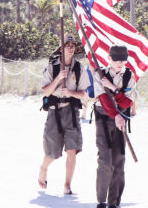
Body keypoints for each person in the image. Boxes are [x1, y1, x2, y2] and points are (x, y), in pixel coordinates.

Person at [37, 36, 90, 196]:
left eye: (73, 45)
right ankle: (43, 168)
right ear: (61, 49)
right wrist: (58, 79)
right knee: (52, 151)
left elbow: (84, 94)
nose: (70, 47)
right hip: (55, 111)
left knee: (72, 149)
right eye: (67, 45)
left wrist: (71, 92)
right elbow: (46, 91)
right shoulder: (52, 67)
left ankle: (67, 185)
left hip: (72, 112)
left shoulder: (79, 68)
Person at [93, 45, 135, 208]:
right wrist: (116, 113)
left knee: (119, 161)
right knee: (105, 160)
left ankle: (114, 202)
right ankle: (102, 200)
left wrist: (114, 89)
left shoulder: (129, 75)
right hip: (103, 118)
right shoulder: (100, 74)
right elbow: (103, 99)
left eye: (123, 59)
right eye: (117, 59)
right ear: (109, 58)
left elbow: (128, 102)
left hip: (121, 119)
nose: (120, 63)